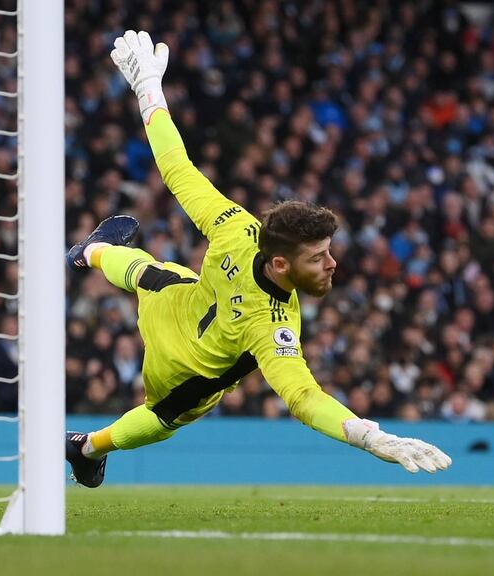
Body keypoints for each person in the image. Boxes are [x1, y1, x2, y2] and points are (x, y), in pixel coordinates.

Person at [64, 31, 452, 487]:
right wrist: (368, 436)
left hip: (173, 303)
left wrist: (149, 89)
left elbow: (178, 169)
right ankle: (86, 447)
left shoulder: (236, 227)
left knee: (153, 272)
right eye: (319, 257)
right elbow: (304, 397)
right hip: (181, 375)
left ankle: (89, 252)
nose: (332, 265)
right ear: (282, 265)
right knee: (164, 416)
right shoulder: (272, 325)